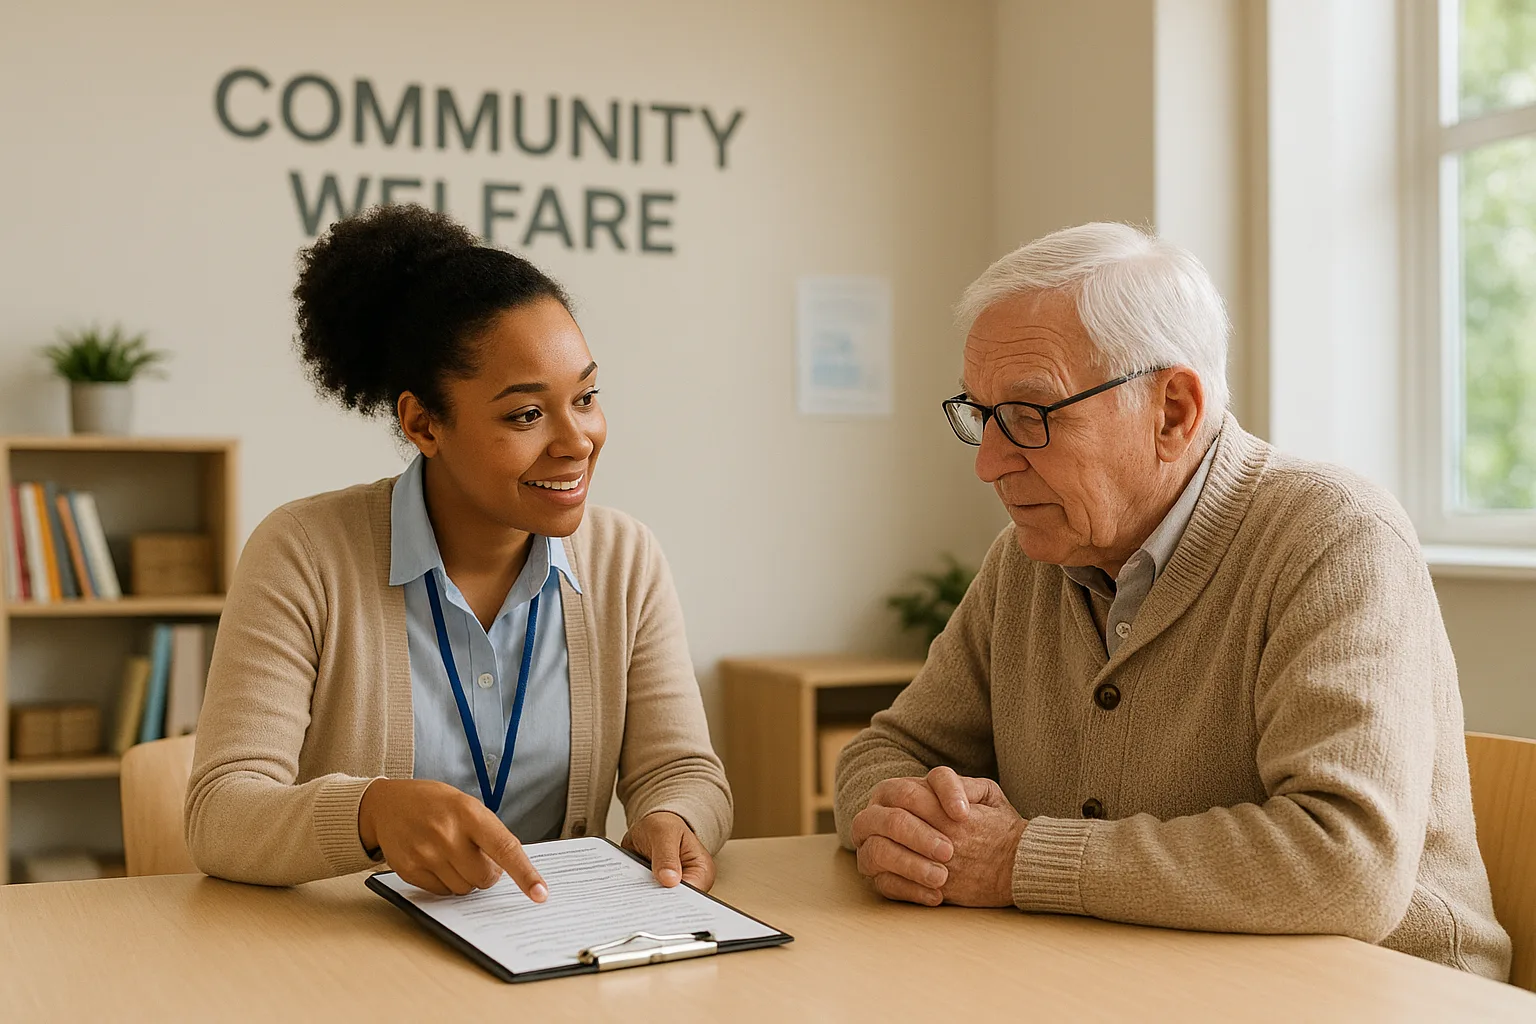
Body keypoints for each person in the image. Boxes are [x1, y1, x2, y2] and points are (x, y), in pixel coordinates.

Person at [835, 222, 1510, 980]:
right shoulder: (1027, 561)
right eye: (982, 415)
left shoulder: (1336, 537)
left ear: (1173, 412)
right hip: (1133, 977)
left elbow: (1344, 861)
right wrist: (905, 823)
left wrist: (1020, 859)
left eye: (1030, 416)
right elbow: (887, 752)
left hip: (1387, 990)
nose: (990, 463)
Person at [186, 204, 730, 898]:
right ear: (423, 423)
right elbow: (220, 812)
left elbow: (681, 769)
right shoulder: (303, 555)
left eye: (586, 397)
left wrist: (673, 818)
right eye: (526, 414)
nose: (577, 441)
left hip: (555, 957)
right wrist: (370, 811)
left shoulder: (626, 559)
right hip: (352, 969)